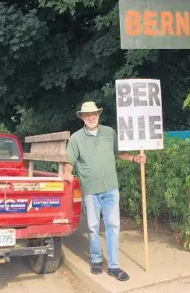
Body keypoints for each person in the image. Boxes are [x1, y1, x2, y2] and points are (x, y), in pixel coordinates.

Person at [62, 101, 146, 281]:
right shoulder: (76, 138)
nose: (91, 117)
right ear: (82, 118)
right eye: (87, 115)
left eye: (94, 114)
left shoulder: (110, 133)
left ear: (98, 115)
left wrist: (134, 158)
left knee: (113, 226)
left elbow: (119, 153)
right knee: (92, 227)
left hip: (110, 188)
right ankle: (96, 260)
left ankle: (114, 266)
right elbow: (69, 162)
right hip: (90, 190)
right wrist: (67, 173)